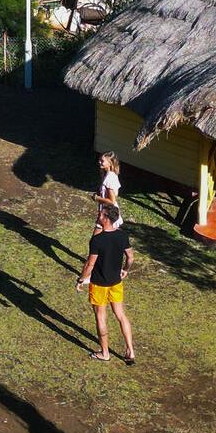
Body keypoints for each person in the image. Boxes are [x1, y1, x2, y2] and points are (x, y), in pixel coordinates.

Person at [76, 203, 136, 363]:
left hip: (99, 285)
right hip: (116, 283)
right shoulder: (122, 236)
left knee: (100, 317)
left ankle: (105, 353)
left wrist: (81, 279)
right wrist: (125, 270)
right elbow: (130, 257)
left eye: (101, 214)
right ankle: (130, 349)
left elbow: (90, 264)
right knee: (121, 315)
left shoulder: (97, 240)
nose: (98, 216)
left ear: (107, 219)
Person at [95, 151, 123, 225]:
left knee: (98, 235)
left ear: (110, 163)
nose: (99, 162)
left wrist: (97, 198)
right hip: (108, 212)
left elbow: (112, 201)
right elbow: (115, 194)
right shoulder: (112, 175)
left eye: (102, 161)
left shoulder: (109, 178)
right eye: (99, 160)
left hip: (108, 214)